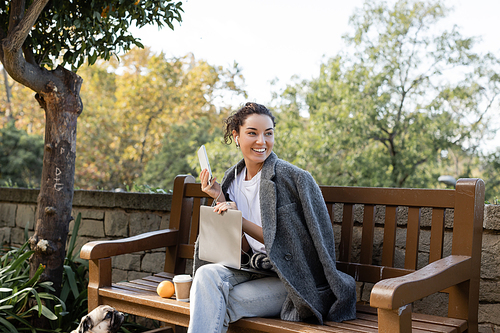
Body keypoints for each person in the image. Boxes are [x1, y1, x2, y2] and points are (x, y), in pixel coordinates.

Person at [188, 102, 356, 333]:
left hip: (290, 280)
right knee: (206, 275)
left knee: (215, 304)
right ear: (236, 137)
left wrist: (240, 220)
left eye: (268, 133)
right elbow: (244, 250)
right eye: (252, 133)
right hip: (253, 269)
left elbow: (296, 246)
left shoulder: (294, 178)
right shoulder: (232, 180)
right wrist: (219, 197)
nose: (261, 142)